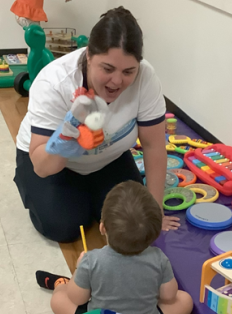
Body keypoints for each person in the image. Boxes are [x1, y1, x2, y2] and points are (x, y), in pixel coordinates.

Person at [14, 7, 180, 243]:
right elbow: (42, 167)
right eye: (108, 69)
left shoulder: (146, 78)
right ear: (89, 55)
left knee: (135, 219)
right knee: (64, 227)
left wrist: (155, 213)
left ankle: (91, 193)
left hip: (108, 158)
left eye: (128, 71)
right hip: (52, 162)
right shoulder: (54, 82)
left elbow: (154, 146)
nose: (117, 81)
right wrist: (70, 137)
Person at [35, 181, 193, 314]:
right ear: (154, 234)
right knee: (185, 300)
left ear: (102, 228)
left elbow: (76, 298)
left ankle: (61, 284)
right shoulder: (159, 259)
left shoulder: (91, 261)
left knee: (59, 299)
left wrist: (78, 270)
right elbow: (169, 296)